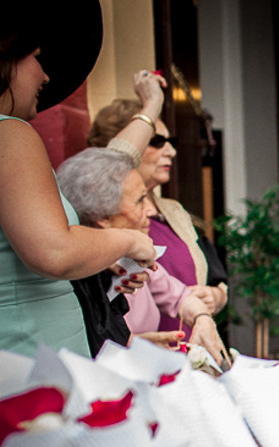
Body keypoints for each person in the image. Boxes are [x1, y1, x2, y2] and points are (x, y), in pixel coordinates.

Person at [0, 3, 156, 387]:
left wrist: (99, 257)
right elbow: (53, 252)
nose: (45, 75)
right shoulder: (6, 134)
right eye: (38, 58)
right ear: (4, 57)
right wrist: (128, 239)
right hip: (24, 360)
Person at [57, 147, 229, 367]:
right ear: (104, 216)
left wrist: (202, 319)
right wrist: (133, 346)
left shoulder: (136, 260)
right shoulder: (76, 276)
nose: (150, 211)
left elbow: (179, 296)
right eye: (140, 200)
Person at [88, 89, 229, 327]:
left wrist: (217, 297)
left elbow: (211, 273)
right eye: (157, 141)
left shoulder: (173, 211)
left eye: (170, 143)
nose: (171, 152)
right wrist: (152, 102)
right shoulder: (102, 219)